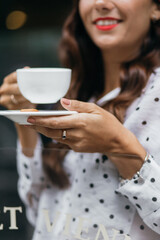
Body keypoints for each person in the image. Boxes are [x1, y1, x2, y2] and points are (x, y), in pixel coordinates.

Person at [1, 0, 160, 239]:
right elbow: (38, 210)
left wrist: (119, 146)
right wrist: (25, 118)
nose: (101, 3)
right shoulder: (84, 93)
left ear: (156, 8)